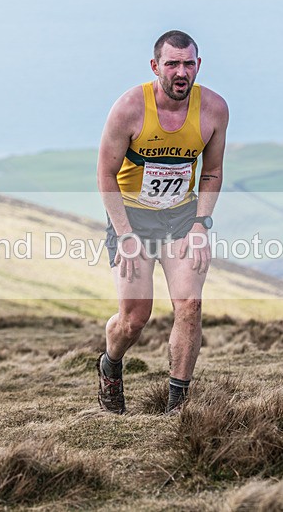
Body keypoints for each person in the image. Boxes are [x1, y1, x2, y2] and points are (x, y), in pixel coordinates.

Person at [96, 30, 229, 414]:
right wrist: (125, 235)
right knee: (134, 319)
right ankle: (110, 364)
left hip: (182, 216)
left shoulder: (214, 110)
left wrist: (202, 223)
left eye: (188, 63)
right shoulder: (129, 109)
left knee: (189, 303)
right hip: (132, 216)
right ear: (156, 67)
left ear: (198, 65)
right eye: (172, 64)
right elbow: (106, 175)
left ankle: (177, 407)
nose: (181, 72)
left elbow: (213, 170)